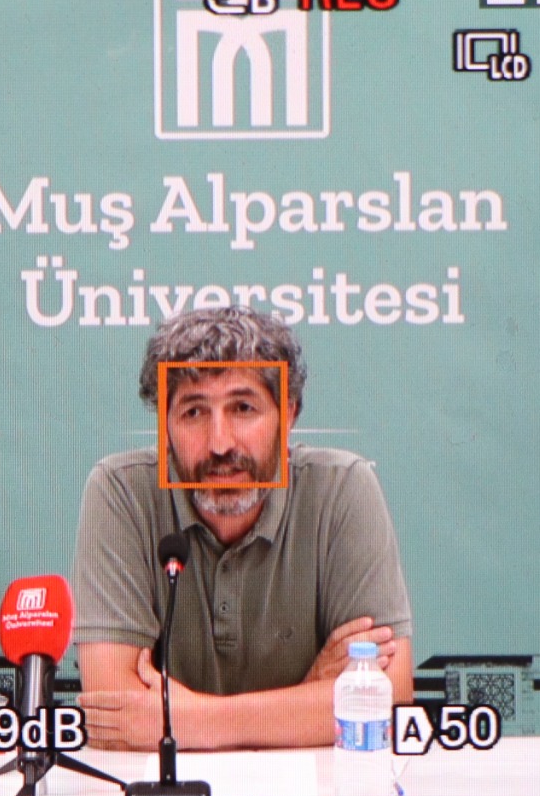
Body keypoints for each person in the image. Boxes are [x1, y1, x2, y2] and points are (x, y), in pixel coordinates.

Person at [74, 306, 413, 751]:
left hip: (314, 789)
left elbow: (386, 696)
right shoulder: (121, 491)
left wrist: (195, 722)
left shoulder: (342, 487)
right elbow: (113, 712)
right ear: (165, 426)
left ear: (287, 414)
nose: (220, 443)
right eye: (194, 412)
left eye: (243, 408)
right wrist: (310, 696)